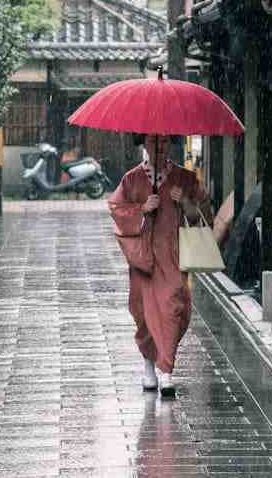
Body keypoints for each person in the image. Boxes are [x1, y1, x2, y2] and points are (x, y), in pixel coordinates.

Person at [108, 133, 212, 399]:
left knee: (172, 307)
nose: (159, 147)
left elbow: (201, 214)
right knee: (143, 314)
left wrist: (185, 202)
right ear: (144, 143)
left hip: (173, 256)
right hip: (143, 260)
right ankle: (148, 366)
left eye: (164, 142)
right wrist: (142, 208)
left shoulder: (185, 178)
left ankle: (166, 371)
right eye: (154, 142)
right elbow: (117, 208)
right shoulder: (131, 179)